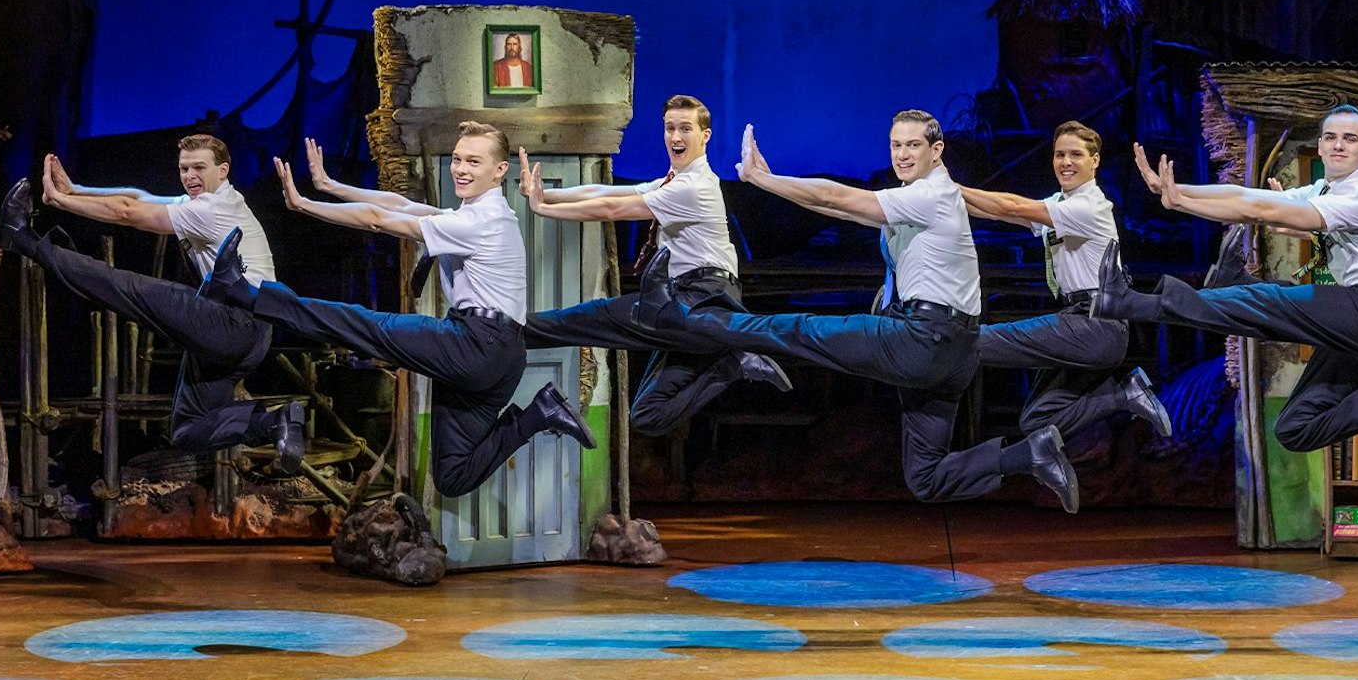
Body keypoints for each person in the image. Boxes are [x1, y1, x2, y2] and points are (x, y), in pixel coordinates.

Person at [635, 110, 1079, 510]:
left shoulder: (931, 194)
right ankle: (1029, 453)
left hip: (925, 340)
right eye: (896, 145)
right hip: (953, 354)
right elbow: (834, 208)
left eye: (913, 145)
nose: (902, 155)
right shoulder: (920, 199)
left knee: (801, 330)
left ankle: (701, 324)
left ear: (936, 150)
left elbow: (838, 199)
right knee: (926, 478)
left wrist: (762, 181)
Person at [197, 120, 595, 498]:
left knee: (359, 324)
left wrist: (304, 205)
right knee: (453, 475)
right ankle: (539, 413)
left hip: (476, 345)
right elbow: (398, 204)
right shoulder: (477, 215)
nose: (460, 169)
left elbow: (377, 221)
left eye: (473, 161)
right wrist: (330, 185)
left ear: (499, 170)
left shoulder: (479, 222)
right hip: (500, 359)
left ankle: (245, 291)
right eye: (457, 159)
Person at [1104, 104, 1358, 454]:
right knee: (1295, 427)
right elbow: (1244, 196)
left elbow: (1259, 210)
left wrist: (1182, 201)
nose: (1338, 145)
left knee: (1272, 302)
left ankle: (1135, 301)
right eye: (1331, 137)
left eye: (1350, 139)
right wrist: (1178, 193)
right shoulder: (1324, 189)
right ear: (1319, 145)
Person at [0, 136, 303, 473]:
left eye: (199, 167)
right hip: (253, 337)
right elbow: (138, 197)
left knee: (125, 287)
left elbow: (127, 213)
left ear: (222, 170)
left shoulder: (211, 209)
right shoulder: (210, 201)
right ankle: (276, 422)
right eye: (184, 168)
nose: (190, 175)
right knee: (188, 429)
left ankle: (22, 238)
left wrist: (60, 201)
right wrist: (77, 189)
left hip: (232, 322)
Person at [513, 94, 789, 437]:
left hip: (700, 298)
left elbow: (612, 211)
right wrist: (545, 194)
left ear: (705, 135)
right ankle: (735, 364)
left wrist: (543, 209)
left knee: (597, 317)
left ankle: (510, 332)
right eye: (670, 128)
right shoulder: (675, 181)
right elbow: (608, 193)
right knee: (647, 415)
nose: (675, 137)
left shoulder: (693, 187)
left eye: (685, 128)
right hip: (687, 303)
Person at [963, 121, 1171, 445]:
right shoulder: (1061, 203)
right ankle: (1124, 395)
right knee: (1036, 419)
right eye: (1060, 154)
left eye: (1075, 154)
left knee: (974, 342)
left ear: (1095, 161)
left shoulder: (1088, 207)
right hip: (1081, 321)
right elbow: (1005, 213)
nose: (1066, 162)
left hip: (1098, 324)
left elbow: (1013, 206)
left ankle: (924, 337)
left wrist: (952, 189)